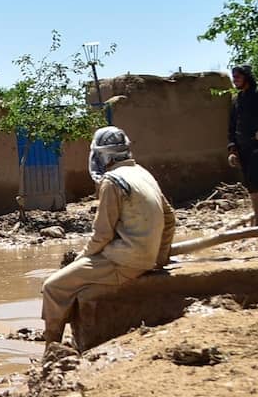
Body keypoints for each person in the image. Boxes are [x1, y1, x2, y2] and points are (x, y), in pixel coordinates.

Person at [40, 127, 175, 348]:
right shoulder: (142, 173)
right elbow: (170, 219)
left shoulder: (112, 181)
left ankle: (51, 349)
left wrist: (80, 260)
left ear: (102, 155)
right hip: (143, 258)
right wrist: (159, 258)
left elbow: (102, 235)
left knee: (53, 286)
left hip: (124, 261)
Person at [226, 65, 258, 225]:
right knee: (251, 186)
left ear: (246, 76)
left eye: (238, 77)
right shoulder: (237, 100)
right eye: (234, 78)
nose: (235, 80)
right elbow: (232, 126)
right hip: (242, 148)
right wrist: (233, 149)